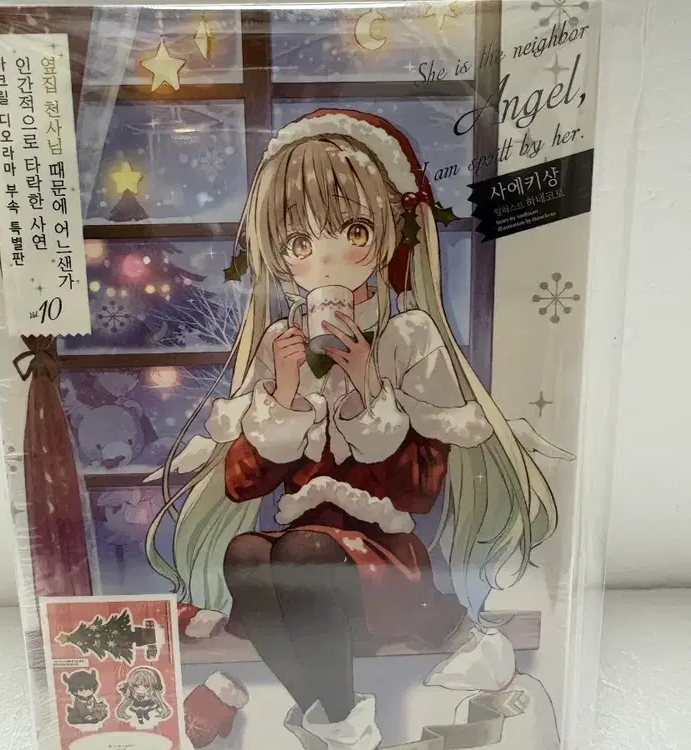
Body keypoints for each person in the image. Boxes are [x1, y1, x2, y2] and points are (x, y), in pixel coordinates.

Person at [147, 109, 558, 750]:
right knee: (247, 553)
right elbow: (241, 485)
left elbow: (419, 488)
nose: (327, 258)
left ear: (389, 235)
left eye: (354, 231)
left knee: (301, 552)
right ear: (280, 257)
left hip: (385, 569)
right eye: (299, 243)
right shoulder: (279, 348)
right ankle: (339, 722)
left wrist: (369, 387)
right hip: (309, 584)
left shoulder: (408, 338)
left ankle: (339, 728)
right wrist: (283, 395)